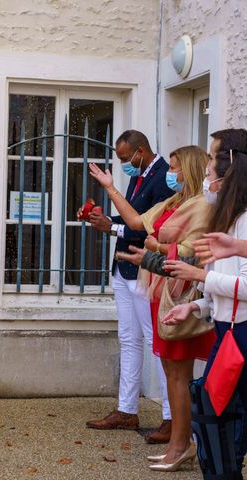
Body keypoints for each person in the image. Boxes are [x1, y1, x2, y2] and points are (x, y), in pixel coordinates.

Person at [90, 145, 216, 472]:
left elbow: (192, 252)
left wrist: (154, 246)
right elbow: (135, 220)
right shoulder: (174, 202)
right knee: (172, 373)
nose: (169, 174)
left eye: (174, 168)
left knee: (178, 374)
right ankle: (179, 443)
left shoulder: (202, 206)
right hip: (160, 292)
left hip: (180, 295)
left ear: (187, 169)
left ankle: (181, 443)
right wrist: (110, 186)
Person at [161, 131, 247, 477]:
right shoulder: (226, 218)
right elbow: (221, 291)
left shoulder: (243, 221)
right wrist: (196, 308)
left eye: (212, 159)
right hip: (227, 334)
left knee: (222, 424)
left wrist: (198, 277)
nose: (207, 169)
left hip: (241, 337)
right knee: (217, 424)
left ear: (230, 168)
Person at [83, 130, 173, 444]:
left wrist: (114, 227)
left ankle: (171, 416)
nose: (124, 165)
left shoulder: (164, 177)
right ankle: (126, 409)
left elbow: (154, 229)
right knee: (128, 339)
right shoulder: (140, 174)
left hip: (144, 270)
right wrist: (104, 219)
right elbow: (129, 215)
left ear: (140, 151)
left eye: (126, 159)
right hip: (122, 269)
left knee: (155, 342)